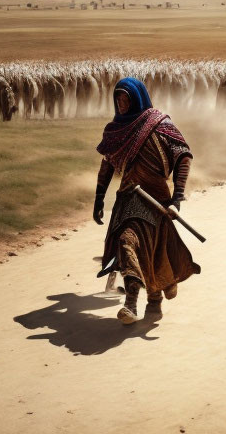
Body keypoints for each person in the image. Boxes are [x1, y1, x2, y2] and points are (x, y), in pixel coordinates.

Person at [94, 77, 200, 325]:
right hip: (127, 199)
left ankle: (154, 298)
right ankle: (131, 302)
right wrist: (99, 198)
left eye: (125, 99)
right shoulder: (116, 131)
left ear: (136, 98)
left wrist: (177, 199)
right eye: (117, 99)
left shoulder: (159, 124)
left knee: (152, 251)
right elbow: (107, 164)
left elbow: (183, 156)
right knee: (126, 242)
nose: (121, 104)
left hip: (155, 201)